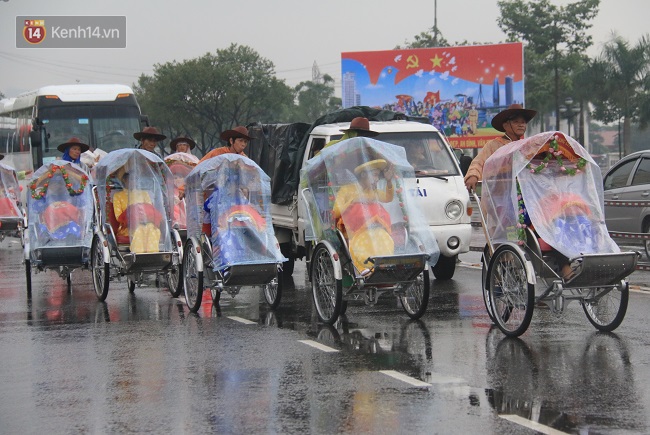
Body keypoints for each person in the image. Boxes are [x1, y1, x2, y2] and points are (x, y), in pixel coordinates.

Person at [333, 159, 395, 274]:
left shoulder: (373, 191)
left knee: (384, 238)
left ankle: (384, 267)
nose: (376, 179)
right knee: (363, 241)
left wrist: (389, 181)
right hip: (354, 231)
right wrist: (354, 201)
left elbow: (388, 198)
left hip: (376, 229)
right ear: (363, 174)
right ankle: (364, 268)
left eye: (378, 176)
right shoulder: (347, 190)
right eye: (375, 175)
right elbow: (336, 211)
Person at [464, 104, 536, 191]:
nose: (521, 125)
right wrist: (473, 176)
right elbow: (478, 163)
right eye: (516, 122)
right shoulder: (493, 145)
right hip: (498, 194)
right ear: (505, 125)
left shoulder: (528, 146)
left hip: (523, 194)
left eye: (523, 122)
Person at [112, 172, 163, 253]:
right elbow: (118, 217)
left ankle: (152, 255)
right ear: (124, 180)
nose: (133, 181)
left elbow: (150, 211)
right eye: (131, 179)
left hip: (146, 223)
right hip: (127, 227)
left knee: (153, 229)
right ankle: (137, 256)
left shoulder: (144, 193)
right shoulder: (118, 196)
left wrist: (145, 219)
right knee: (139, 229)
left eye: (135, 179)